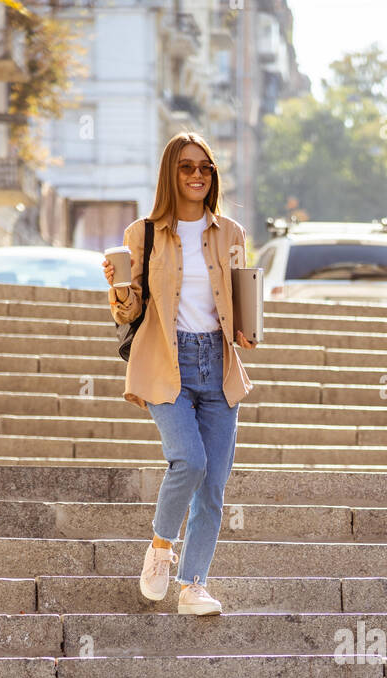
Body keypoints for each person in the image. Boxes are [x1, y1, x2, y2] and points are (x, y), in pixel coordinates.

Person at [103, 132, 257, 615]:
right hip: (165, 363)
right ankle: (161, 548)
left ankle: (194, 586)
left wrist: (249, 329)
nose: (196, 175)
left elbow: (241, 289)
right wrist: (118, 284)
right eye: (186, 167)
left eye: (205, 168)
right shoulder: (143, 233)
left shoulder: (231, 233)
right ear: (171, 174)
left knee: (213, 484)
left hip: (218, 365)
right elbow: (128, 314)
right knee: (189, 461)